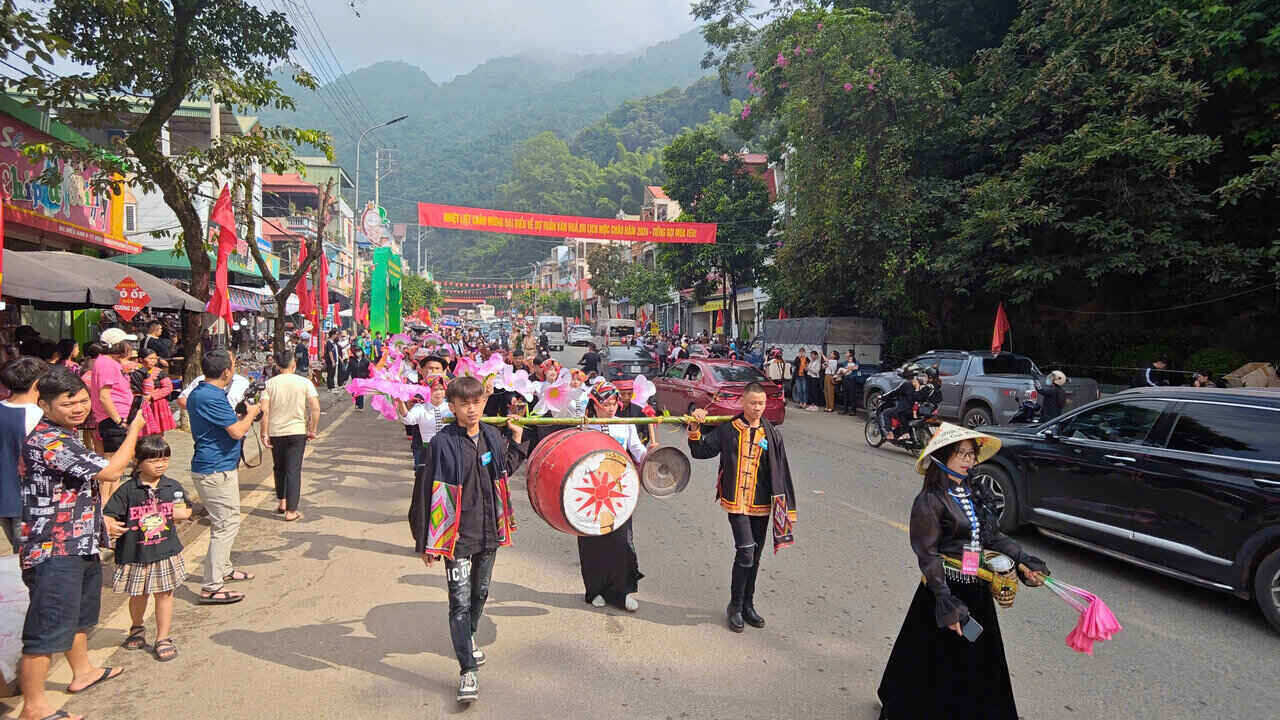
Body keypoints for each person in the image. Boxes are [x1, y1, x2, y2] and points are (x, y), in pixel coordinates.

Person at [877, 424, 1048, 719]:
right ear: (943, 457)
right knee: (934, 660)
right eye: (962, 454)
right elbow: (927, 556)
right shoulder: (929, 501)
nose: (969, 461)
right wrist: (947, 603)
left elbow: (991, 537)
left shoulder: (975, 491)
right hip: (944, 590)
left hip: (976, 587)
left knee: (980, 659)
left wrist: (1024, 560)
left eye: (972, 454)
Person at [17, 367, 146, 720]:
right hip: (54, 549)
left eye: (82, 400)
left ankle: (83, 672)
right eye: (67, 403)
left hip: (80, 541)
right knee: (46, 629)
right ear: (44, 405)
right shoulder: (49, 440)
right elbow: (111, 471)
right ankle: (34, 707)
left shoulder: (67, 434)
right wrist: (133, 430)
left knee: (78, 618)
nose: (78, 408)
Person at [408, 376, 527, 704]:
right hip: (456, 535)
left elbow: (503, 471)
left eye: (476, 402)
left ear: (483, 404)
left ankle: (469, 636)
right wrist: (425, 541)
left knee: (481, 592)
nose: (471, 409)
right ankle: (467, 669)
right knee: (459, 601)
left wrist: (516, 441)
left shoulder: (491, 436)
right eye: (464, 404)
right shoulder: (442, 443)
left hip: (489, 530)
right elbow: (425, 491)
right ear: (452, 407)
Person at [686, 383, 797, 633]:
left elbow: (781, 473)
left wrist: (785, 507)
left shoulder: (771, 434)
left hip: (761, 504)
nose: (757, 408)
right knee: (746, 552)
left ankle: (748, 604)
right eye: (752, 403)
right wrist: (695, 427)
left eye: (761, 404)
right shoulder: (729, 429)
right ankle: (734, 606)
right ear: (743, 403)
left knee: (755, 557)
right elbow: (701, 451)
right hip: (737, 502)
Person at [103, 435, 191, 662]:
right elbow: (109, 514)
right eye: (154, 460)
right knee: (138, 594)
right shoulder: (127, 490)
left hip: (165, 551)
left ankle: (163, 638)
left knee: (165, 594)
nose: (161, 464)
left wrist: (181, 513)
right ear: (138, 461)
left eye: (165, 459)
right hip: (135, 553)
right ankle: (137, 627)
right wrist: (111, 526)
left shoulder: (173, 486)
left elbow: (185, 510)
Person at [186, 349, 261, 605]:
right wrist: (252, 413)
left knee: (228, 520)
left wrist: (243, 414)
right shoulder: (210, 396)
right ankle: (211, 586)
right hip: (215, 469)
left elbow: (227, 424)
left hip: (219, 465)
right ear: (226, 371)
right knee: (226, 525)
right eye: (232, 366)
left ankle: (224, 569)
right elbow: (238, 432)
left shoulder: (205, 392)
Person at [579, 382, 648, 612]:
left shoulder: (625, 424)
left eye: (613, 404)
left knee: (622, 542)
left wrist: (654, 457)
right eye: (605, 404)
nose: (611, 409)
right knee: (593, 542)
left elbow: (637, 449)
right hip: (589, 490)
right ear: (595, 405)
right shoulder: (584, 428)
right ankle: (595, 590)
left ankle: (623, 592)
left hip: (619, 491)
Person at [260, 349, 320, 522]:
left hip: (276, 432)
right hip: (297, 431)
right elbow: (315, 408)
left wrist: (264, 433)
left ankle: (282, 502)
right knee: (293, 470)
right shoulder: (304, 382)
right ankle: (291, 511)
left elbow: (264, 410)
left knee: (279, 468)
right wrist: (312, 429)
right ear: (293, 364)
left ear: (278, 365)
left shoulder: (270, 384)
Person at [0, 357, 47, 553]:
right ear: (38, 383)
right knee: (32, 561)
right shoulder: (39, 415)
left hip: (5, 498)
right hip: (31, 500)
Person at [89, 329, 136, 475]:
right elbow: (104, 396)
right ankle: (107, 496)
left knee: (119, 461)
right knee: (113, 463)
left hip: (118, 415)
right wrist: (118, 420)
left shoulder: (110, 362)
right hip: (112, 418)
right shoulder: (106, 363)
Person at [396, 374, 452, 473]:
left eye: (441, 389)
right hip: (428, 451)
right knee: (426, 482)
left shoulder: (451, 406)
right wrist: (400, 402)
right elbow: (409, 420)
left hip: (449, 450)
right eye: (434, 390)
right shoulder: (421, 407)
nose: (438, 393)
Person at [130, 346, 176, 437]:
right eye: (150, 358)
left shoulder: (159, 372)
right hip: (139, 404)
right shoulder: (134, 372)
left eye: (155, 358)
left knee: (158, 434)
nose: (153, 361)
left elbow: (168, 387)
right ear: (141, 359)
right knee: (141, 432)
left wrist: (152, 396)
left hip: (156, 405)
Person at [348, 346, 371, 410]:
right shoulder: (352, 360)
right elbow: (348, 370)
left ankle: (361, 406)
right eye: (356, 351)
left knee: (360, 392)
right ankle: (357, 403)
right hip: (354, 379)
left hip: (362, 379)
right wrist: (345, 378)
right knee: (355, 392)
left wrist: (368, 377)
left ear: (362, 352)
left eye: (359, 351)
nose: (358, 353)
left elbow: (369, 370)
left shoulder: (366, 361)